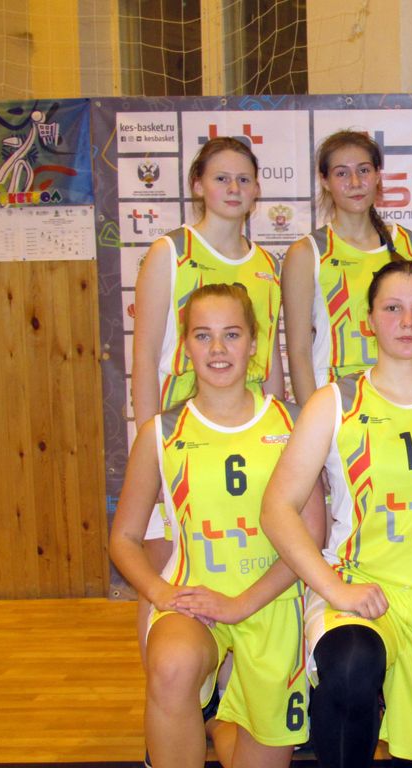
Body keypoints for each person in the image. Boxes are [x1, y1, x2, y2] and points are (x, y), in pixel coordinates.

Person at [262, 260, 412, 768]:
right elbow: (277, 509)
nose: (407, 322)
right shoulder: (335, 402)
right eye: (392, 308)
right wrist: (335, 588)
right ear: (369, 319)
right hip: (361, 588)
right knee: (351, 664)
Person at [111, 283, 318, 768]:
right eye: (203, 336)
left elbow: (311, 537)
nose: (218, 348)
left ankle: (219, 725)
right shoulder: (161, 433)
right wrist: (160, 593)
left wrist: (240, 604)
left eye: (232, 334)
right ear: (185, 346)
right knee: (172, 665)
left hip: (272, 603)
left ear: (254, 342)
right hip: (194, 600)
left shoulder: (293, 423)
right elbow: (124, 538)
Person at [131, 136, 285, 662]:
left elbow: (270, 361)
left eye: (244, 179)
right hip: (183, 430)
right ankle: (167, 689)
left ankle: (223, 690)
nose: (233, 188)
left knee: (243, 556)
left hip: (248, 429)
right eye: (221, 178)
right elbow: (145, 357)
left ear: (258, 189)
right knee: (166, 564)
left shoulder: (266, 263)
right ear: (198, 186)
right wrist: (155, 451)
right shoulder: (171, 253)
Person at [282, 130, 412, 404]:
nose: (355, 182)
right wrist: (313, 415)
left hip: (399, 389)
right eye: (342, 173)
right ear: (325, 181)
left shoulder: (406, 242)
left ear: (378, 175)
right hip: (335, 393)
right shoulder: (307, 252)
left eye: (364, 170)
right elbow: (298, 351)